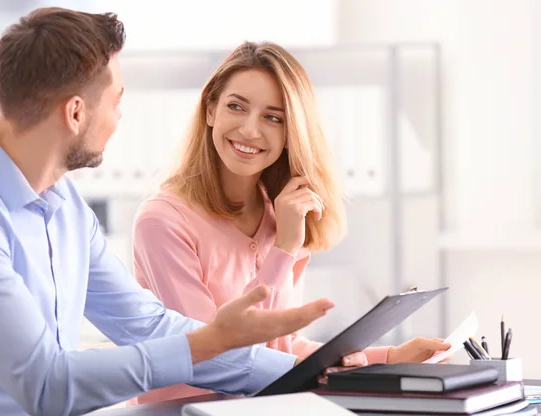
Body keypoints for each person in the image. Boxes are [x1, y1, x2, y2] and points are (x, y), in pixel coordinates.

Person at [0, 9, 336, 416]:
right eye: (116, 102)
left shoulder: (65, 208)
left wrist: (316, 374)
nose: (119, 118)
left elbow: (147, 324)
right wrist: (208, 342)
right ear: (76, 113)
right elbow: (45, 384)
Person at [132, 41, 450, 404]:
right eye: (236, 106)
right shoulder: (163, 221)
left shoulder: (277, 212)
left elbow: (280, 346)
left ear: (290, 134)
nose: (250, 130)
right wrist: (283, 249)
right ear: (210, 111)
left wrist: (389, 358)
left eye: (273, 117)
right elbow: (215, 356)